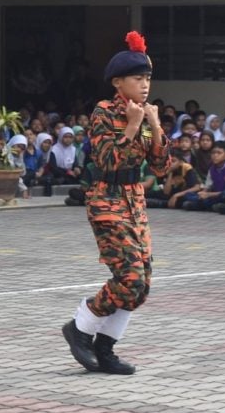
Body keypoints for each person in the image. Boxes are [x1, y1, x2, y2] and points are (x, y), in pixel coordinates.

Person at [61, 31, 167, 375]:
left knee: (142, 284)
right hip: (107, 202)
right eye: (138, 78)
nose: (145, 85)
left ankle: (105, 349)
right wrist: (134, 126)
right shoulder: (104, 113)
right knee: (130, 277)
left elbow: (160, 166)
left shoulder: (146, 116)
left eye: (148, 78)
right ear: (118, 82)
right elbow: (107, 160)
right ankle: (80, 326)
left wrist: (153, 127)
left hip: (134, 202)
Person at [181, 141, 225, 211]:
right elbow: (207, 187)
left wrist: (209, 194)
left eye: (219, 153)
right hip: (213, 196)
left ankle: (213, 206)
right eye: (213, 153)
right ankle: (206, 205)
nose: (215, 155)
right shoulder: (212, 169)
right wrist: (203, 194)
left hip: (224, 196)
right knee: (188, 195)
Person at [42, 126, 82, 196]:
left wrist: (76, 168)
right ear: (60, 137)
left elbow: (75, 163)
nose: (68, 139)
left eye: (70, 137)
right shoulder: (54, 150)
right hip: (57, 173)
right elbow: (53, 168)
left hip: (70, 174)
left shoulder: (73, 149)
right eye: (65, 137)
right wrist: (67, 172)